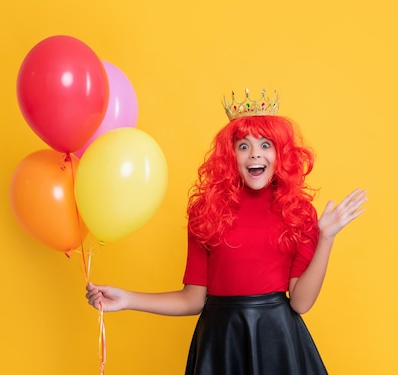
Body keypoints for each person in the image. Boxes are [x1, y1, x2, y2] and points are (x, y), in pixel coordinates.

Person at [85, 89, 367, 375]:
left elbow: (301, 302)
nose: (255, 153)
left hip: (277, 341)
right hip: (221, 342)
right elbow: (192, 299)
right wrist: (127, 299)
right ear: (230, 155)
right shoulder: (206, 211)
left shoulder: (298, 212)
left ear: (280, 153)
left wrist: (326, 238)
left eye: (266, 144)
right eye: (243, 146)